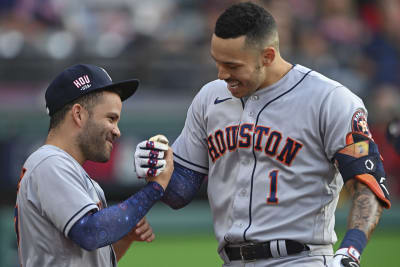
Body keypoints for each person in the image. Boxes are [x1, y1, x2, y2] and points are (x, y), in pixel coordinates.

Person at [134, 2, 391, 267]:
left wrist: (350, 251)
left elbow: (368, 184)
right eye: (217, 62)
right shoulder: (210, 98)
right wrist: (157, 168)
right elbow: (179, 193)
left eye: (232, 65)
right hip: (231, 260)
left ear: (267, 56)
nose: (222, 75)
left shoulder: (330, 100)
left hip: (301, 258)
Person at [14, 63, 173, 267]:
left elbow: (88, 257)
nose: (117, 131)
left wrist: (124, 237)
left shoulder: (70, 172)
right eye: (111, 118)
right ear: (79, 114)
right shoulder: (49, 162)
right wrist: (155, 188)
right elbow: (89, 232)